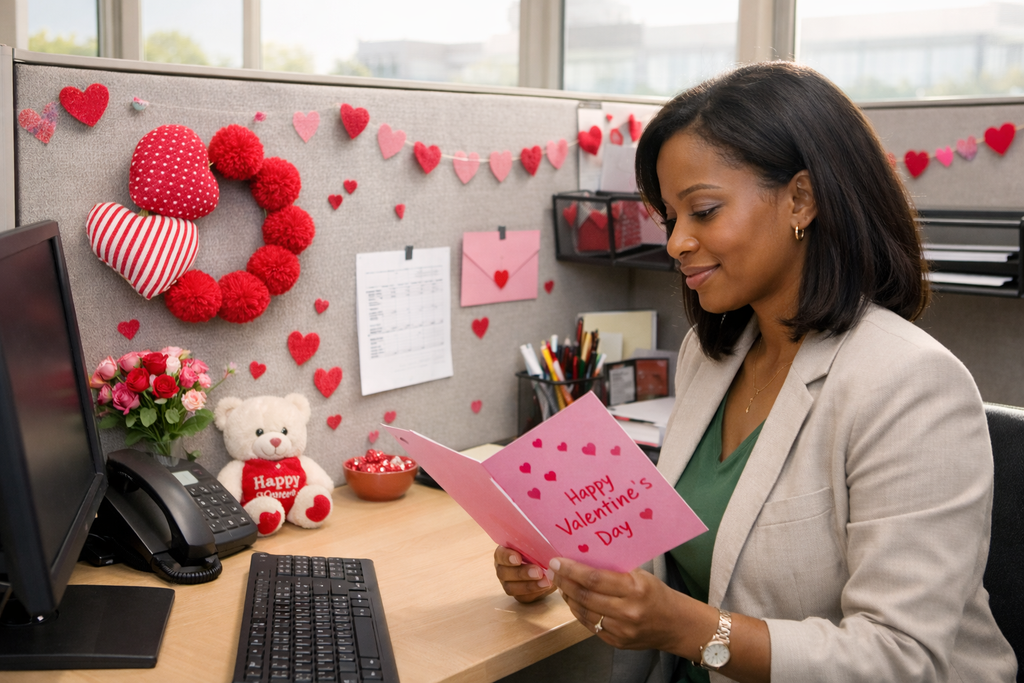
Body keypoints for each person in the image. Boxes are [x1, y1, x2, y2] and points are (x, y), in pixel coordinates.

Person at [494, 61, 1017, 683]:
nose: (676, 242)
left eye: (704, 211)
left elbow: (898, 660)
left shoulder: (910, 384)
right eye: (670, 218)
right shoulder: (711, 355)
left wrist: (686, 629)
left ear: (800, 198)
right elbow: (688, 562)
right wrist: (563, 571)